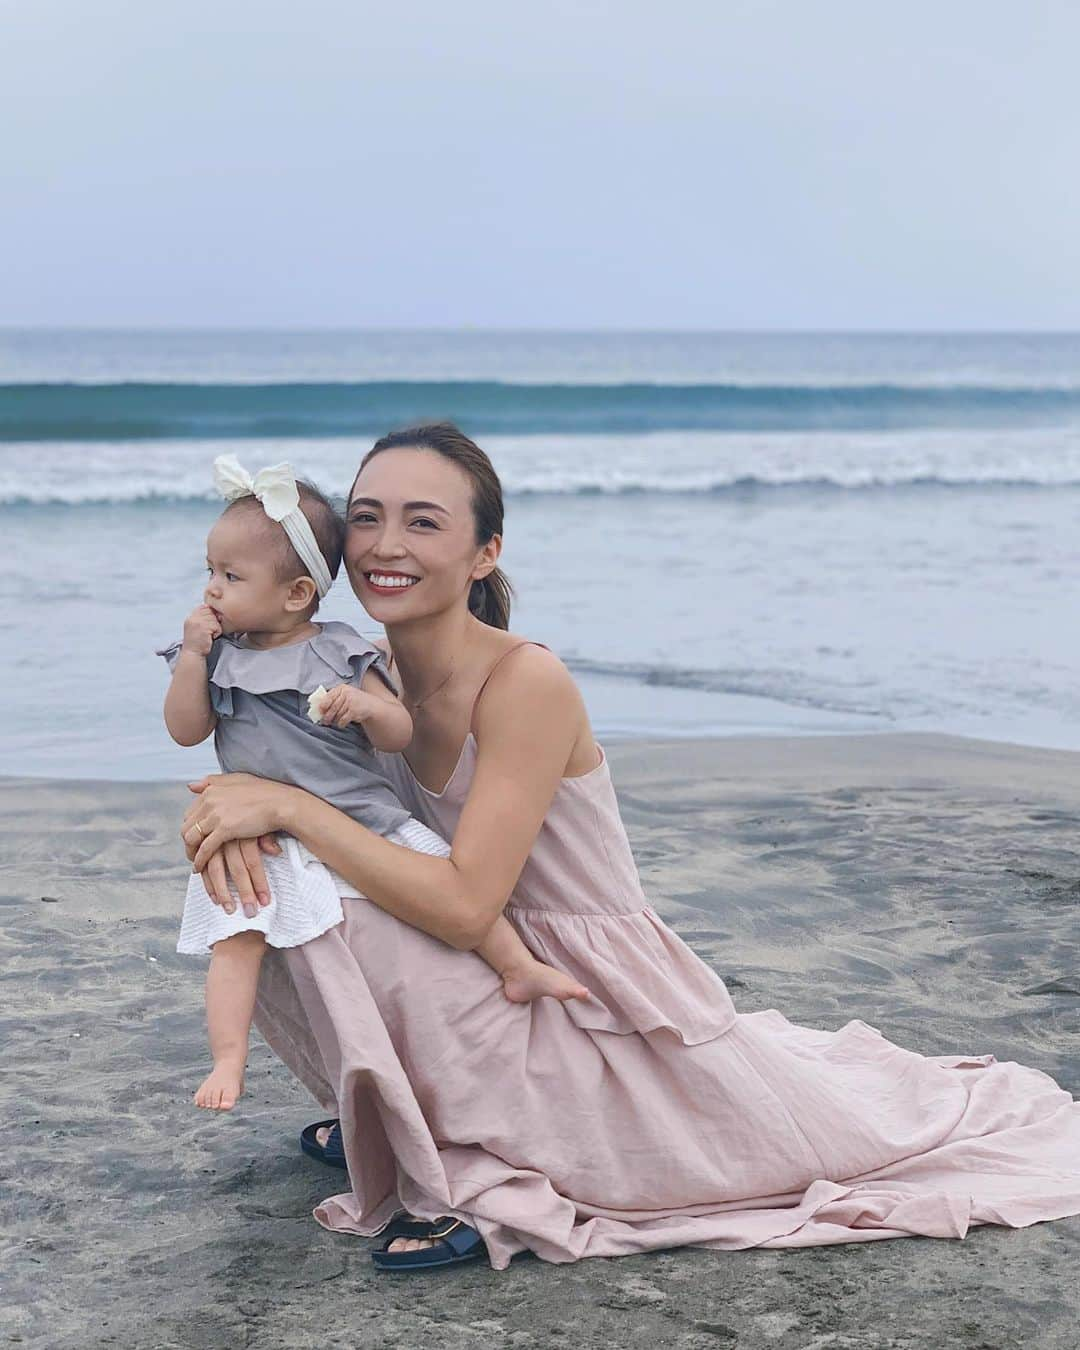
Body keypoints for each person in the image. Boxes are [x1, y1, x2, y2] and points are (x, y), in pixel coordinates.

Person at [180, 422, 1080, 1273]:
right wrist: (231, 815)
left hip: (576, 986)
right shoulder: (353, 672)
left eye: (424, 521)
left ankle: (469, 1150)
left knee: (326, 887)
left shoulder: (524, 681)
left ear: (484, 552)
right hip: (462, 964)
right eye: (368, 517)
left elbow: (463, 905)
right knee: (261, 887)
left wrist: (286, 811)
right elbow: (288, 782)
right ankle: (409, 1107)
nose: (384, 544)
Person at [161, 453, 589, 1112]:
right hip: (300, 842)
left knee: (427, 868)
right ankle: (232, 1058)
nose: (213, 590)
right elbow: (187, 729)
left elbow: (395, 734)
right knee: (238, 938)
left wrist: (354, 716)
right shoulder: (225, 654)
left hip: (380, 836)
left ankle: (515, 968)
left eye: (423, 522)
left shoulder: (348, 655)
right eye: (367, 519)